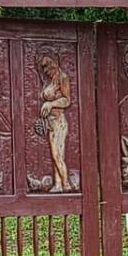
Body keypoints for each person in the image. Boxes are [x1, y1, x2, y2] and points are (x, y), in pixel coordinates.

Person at [38, 51, 74, 192]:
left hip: (59, 121)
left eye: (48, 65)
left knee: (57, 154)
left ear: (55, 62)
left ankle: (66, 184)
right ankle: (58, 184)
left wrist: (50, 104)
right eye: (44, 67)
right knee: (55, 155)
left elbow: (67, 100)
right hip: (50, 122)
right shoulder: (50, 80)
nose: (46, 69)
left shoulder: (62, 77)